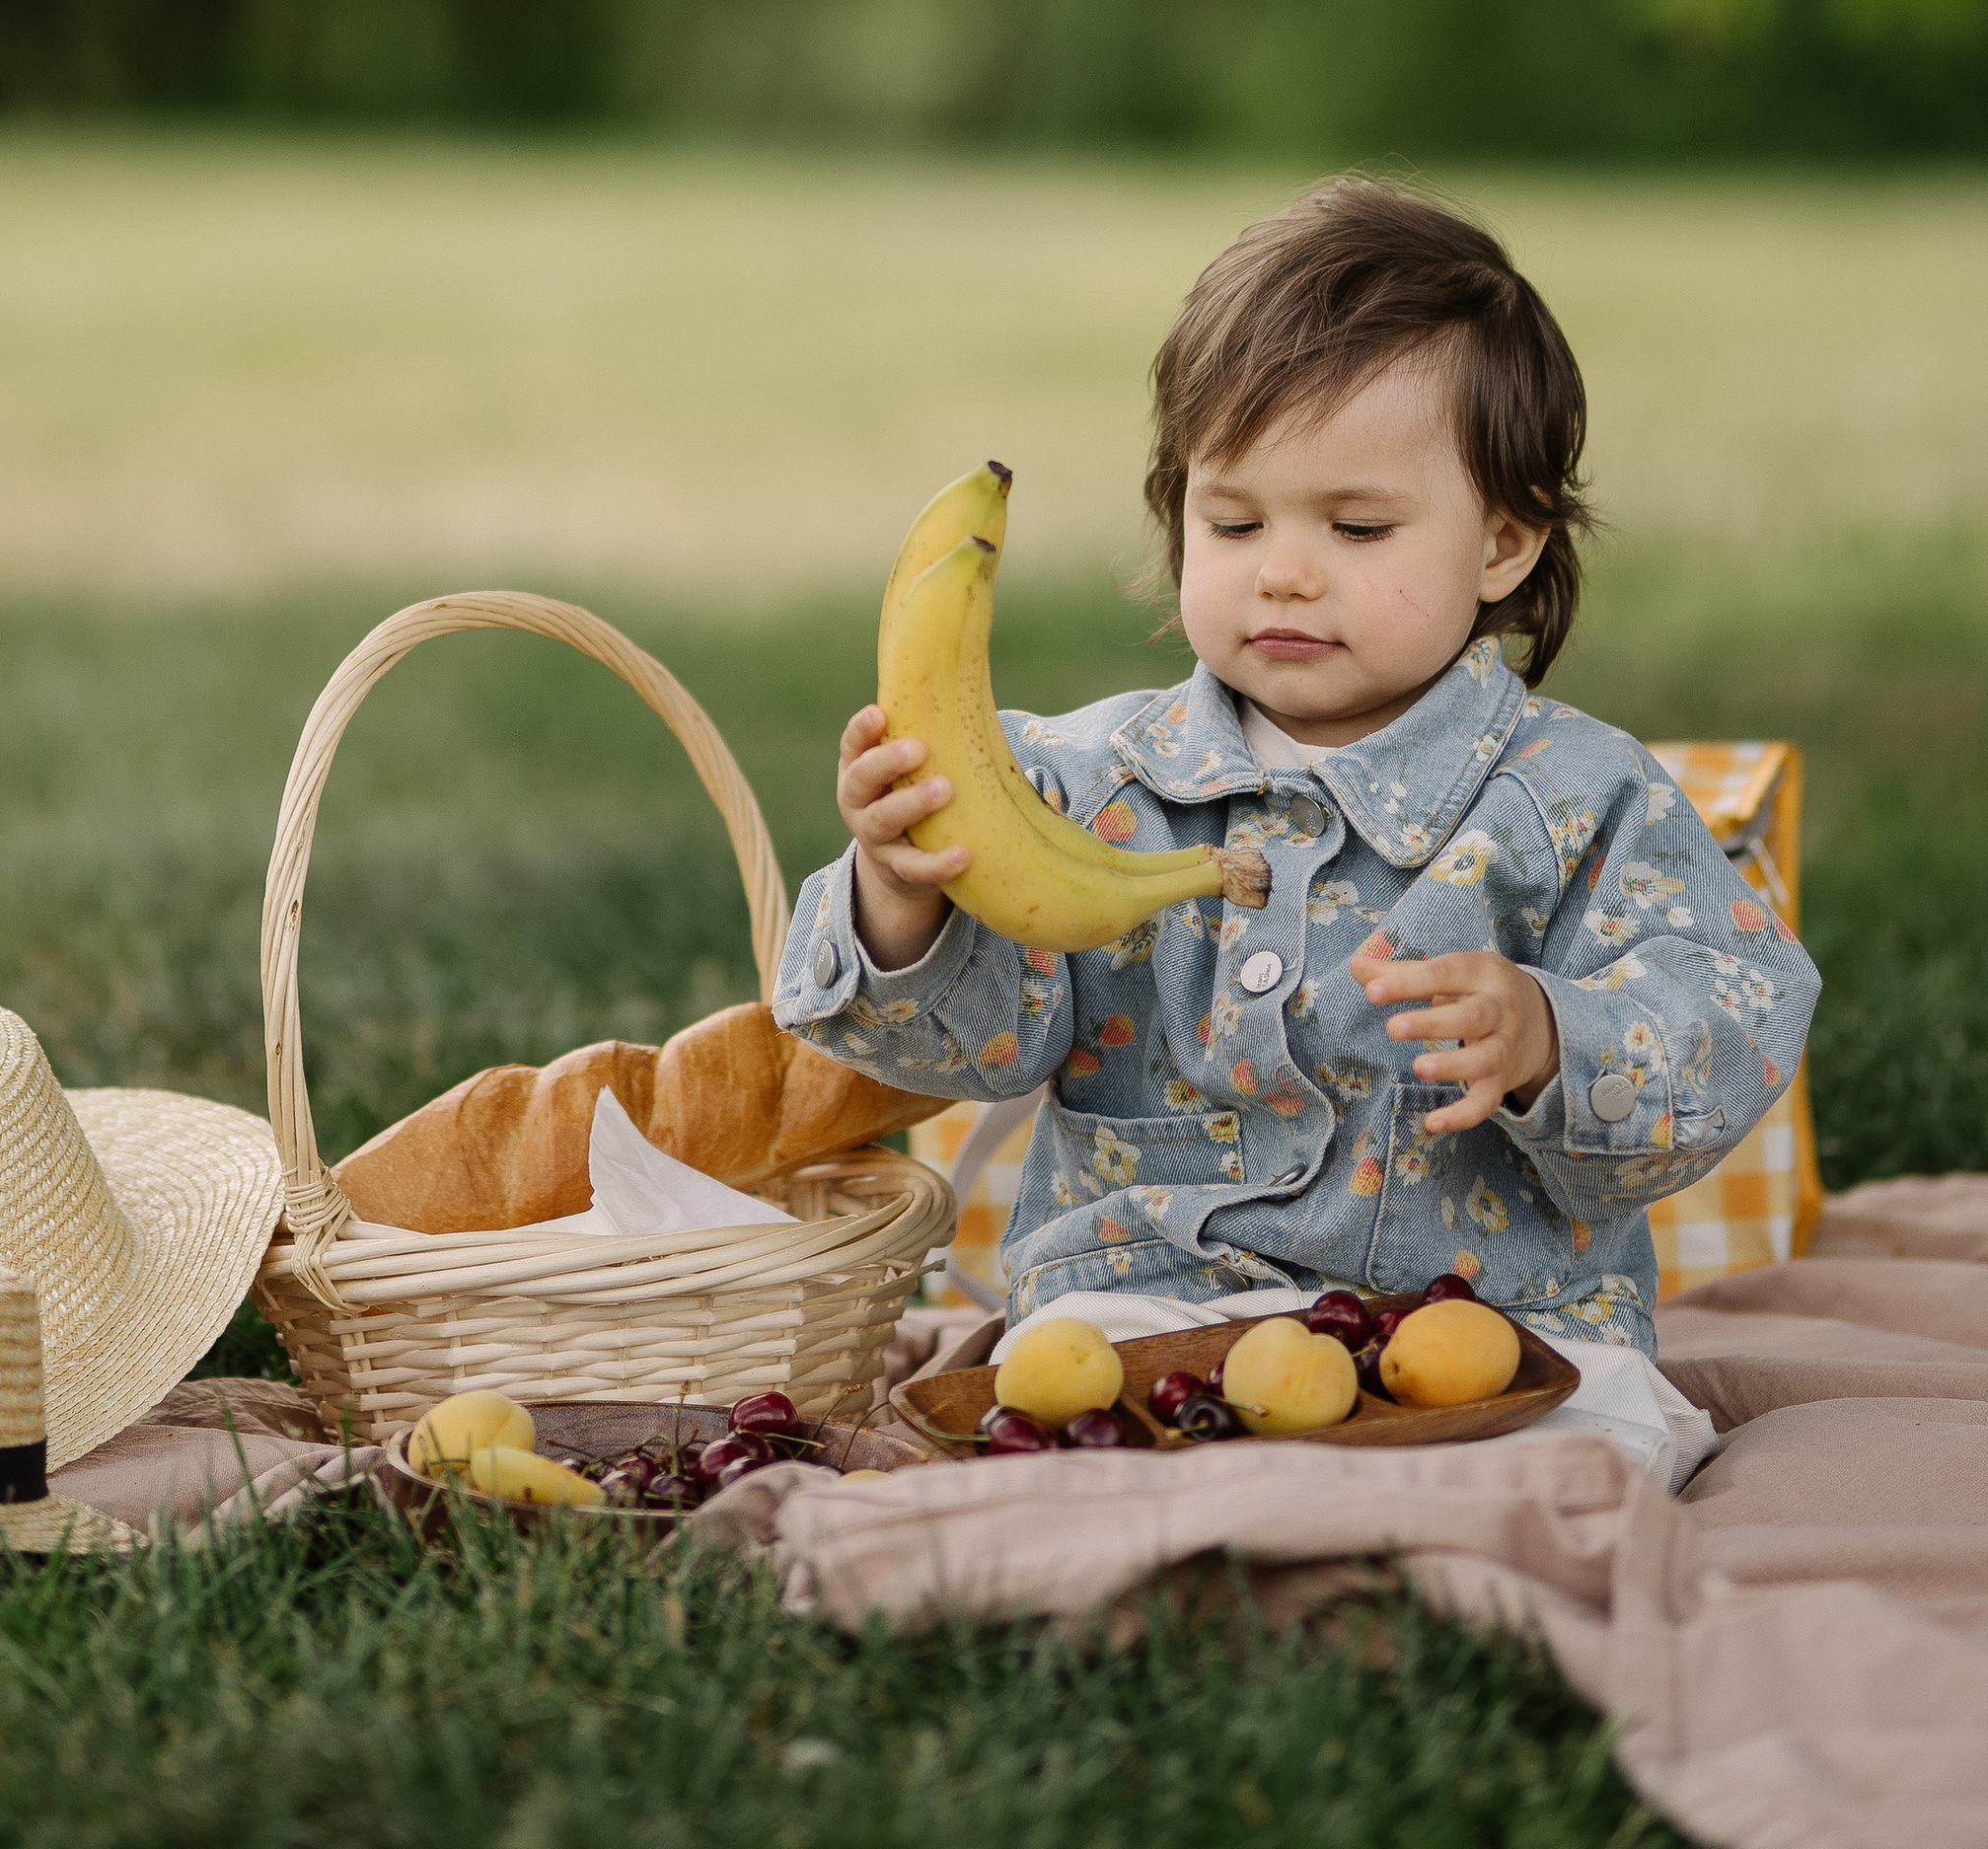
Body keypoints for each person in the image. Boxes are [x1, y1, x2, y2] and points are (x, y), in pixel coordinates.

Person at [773, 177, 1819, 1356]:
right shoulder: (1073, 787)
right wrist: (902, 899)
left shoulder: (1580, 801)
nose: (1281, 572)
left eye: (1356, 528)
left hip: (1489, 1333)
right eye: (1233, 523)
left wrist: (1548, 1036)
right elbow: (953, 1055)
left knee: (1598, 1424)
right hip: (1151, 1308)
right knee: (1060, 1392)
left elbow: (1735, 1013)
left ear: (1503, 543)